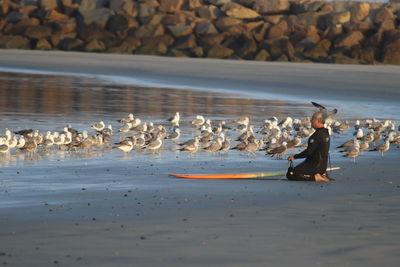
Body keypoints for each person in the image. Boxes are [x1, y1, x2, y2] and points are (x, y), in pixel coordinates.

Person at [287, 111, 331, 182]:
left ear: (317, 121)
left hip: (315, 166)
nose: (310, 120)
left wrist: (295, 157)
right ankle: (320, 174)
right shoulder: (326, 133)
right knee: (295, 169)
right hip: (322, 166)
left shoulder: (317, 135)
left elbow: (308, 152)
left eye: (313, 118)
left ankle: (316, 177)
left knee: (291, 174)